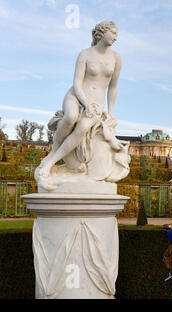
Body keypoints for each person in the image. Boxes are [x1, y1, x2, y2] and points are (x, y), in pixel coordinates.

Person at [35, 21, 123, 189]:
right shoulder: (85, 54)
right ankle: (54, 152)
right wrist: (86, 103)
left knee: (82, 128)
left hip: (96, 103)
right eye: (113, 32)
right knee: (71, 117)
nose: (115, 36)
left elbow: (113, 87)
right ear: (101, 33)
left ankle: (50, 162)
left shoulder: (116, 58)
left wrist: (110, 112)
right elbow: (77, 83)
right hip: (76, 96)